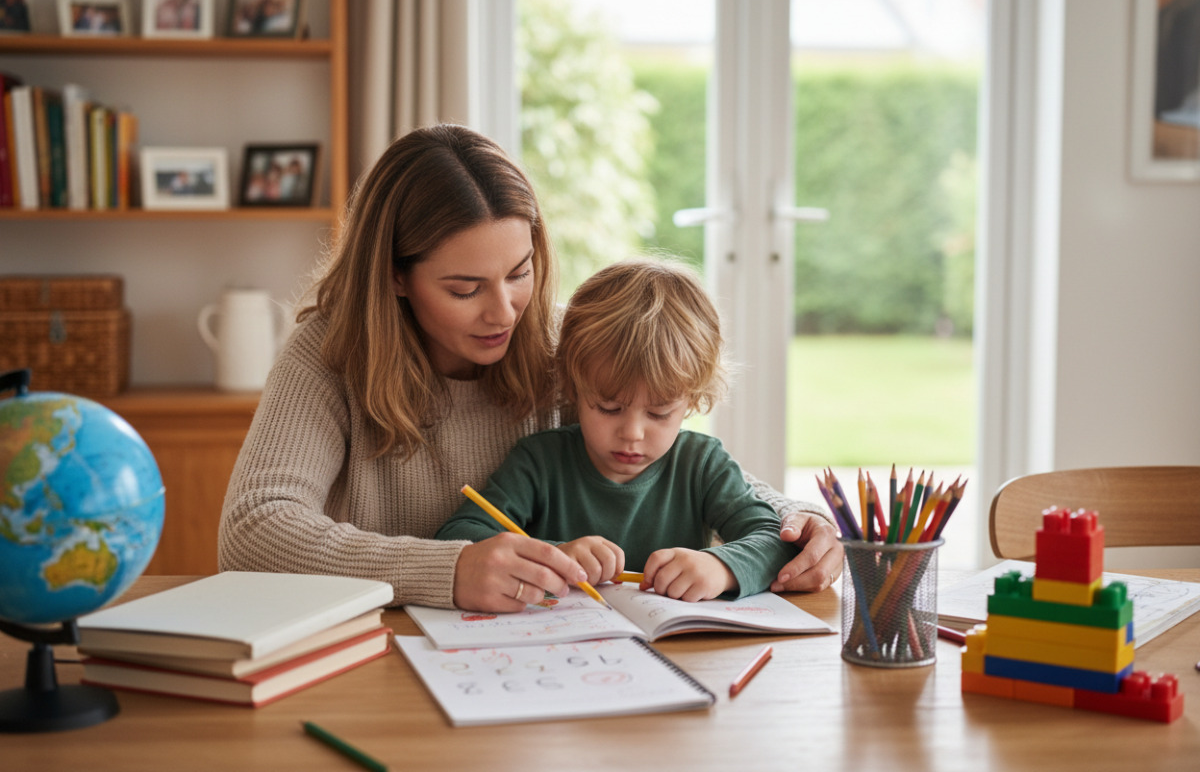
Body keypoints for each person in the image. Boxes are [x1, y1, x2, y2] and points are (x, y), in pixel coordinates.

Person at [217, 123, 842, 614]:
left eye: (520, 273)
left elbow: (677, 454)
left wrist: (798, 523)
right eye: (465, 289)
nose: (504, 312)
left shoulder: (560, 340)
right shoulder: (330, 351)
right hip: (372, 651)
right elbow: (252, 529)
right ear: (395, 276)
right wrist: (451, 569)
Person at [437, 258, 799, 601]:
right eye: (608, 407)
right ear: (572, 386)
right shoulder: (539, 461)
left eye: (659, 413)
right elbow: (458, 539)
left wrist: (721, 567)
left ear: (692, 400)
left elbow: (774, 539)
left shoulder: (702, 464)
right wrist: (556, 554)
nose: (632, 433)